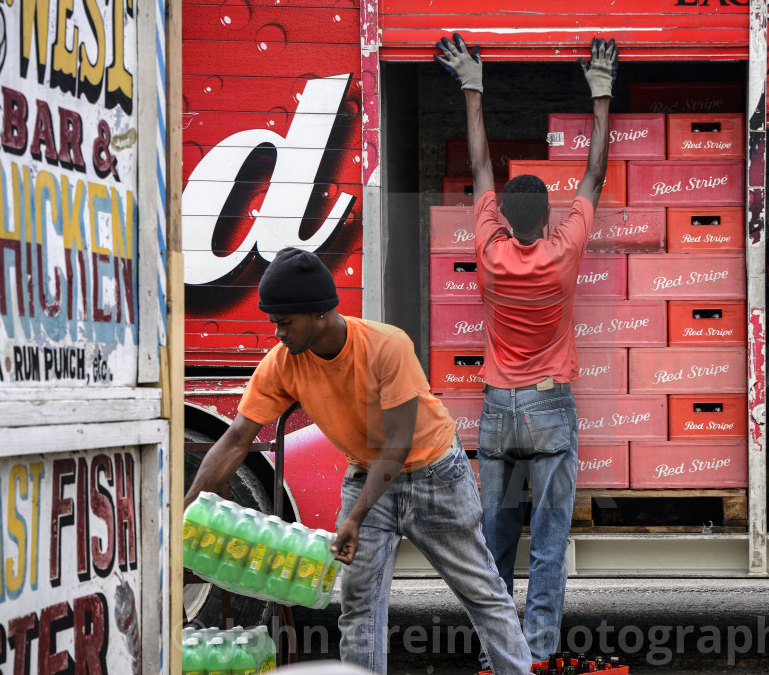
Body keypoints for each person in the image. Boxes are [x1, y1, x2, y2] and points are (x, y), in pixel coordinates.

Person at [183, 247, 532, 675]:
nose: (277, 332)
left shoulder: (387, 346)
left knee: (482, 593)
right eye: (275, 321)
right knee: (359, 608)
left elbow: (399, 441)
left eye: (285, 322)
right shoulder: (283, 363)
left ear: (320, 315)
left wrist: (355, 517)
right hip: (368, 475)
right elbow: (236, 439)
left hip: (434, 475)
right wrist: (189, 506)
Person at [435, 33, 618, 662]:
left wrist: (473, 83)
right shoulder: (565, 252)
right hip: (548, 413)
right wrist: (600, 92)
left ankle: (495, 658)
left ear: (506, 218)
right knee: (547, 541)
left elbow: (480, 166)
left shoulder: (489, 253)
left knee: (493, 542)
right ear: (549, 218)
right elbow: (594, 173)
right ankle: (536, 656)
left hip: (498, 413)